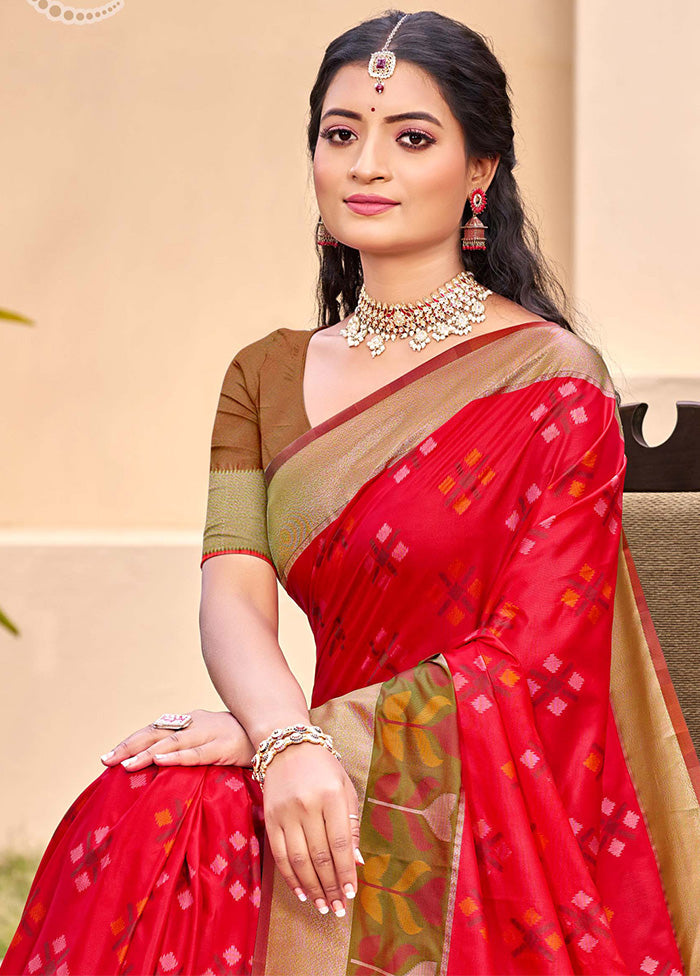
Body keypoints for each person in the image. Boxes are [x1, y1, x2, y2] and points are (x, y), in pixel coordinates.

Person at [2, 8, 699, 975]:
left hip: (472, 793)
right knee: (146, 806)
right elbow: (233, 596)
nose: (366, 164)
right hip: (312, 758)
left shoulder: (550, 382)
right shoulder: (266, 374)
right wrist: (281, 738)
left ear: (479, 174)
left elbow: (536, 661)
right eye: (341, 134)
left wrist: (288, 739)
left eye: (411, 137)